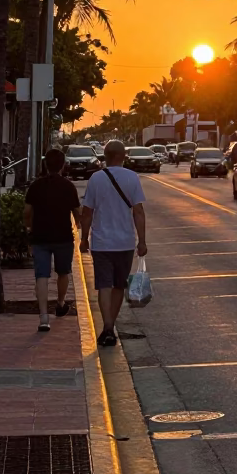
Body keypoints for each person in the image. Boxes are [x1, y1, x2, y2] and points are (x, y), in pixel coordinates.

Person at [80, 139, 148, 347]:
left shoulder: (96, 179)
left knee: (104, 286)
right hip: (125, 242)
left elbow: (87, 212)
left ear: (105, 156)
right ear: (123, 156)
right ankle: (110, 326)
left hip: (101, 242)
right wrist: (142, 241)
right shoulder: (132, 178)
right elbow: (138, 211)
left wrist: (83, 238)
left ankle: (108, 327)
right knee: (119, 285)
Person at [23, 147, 82, 333]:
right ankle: (61, 302)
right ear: (63, 165)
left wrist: (29, 227)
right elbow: (77, 212)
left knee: (41, 275)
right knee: (63, 272)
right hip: (63, 236)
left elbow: (26, 212)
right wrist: (79, 226)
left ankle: (43, 318)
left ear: (45, 165)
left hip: (40, 237)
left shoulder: (35, 186)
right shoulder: (68, 186)